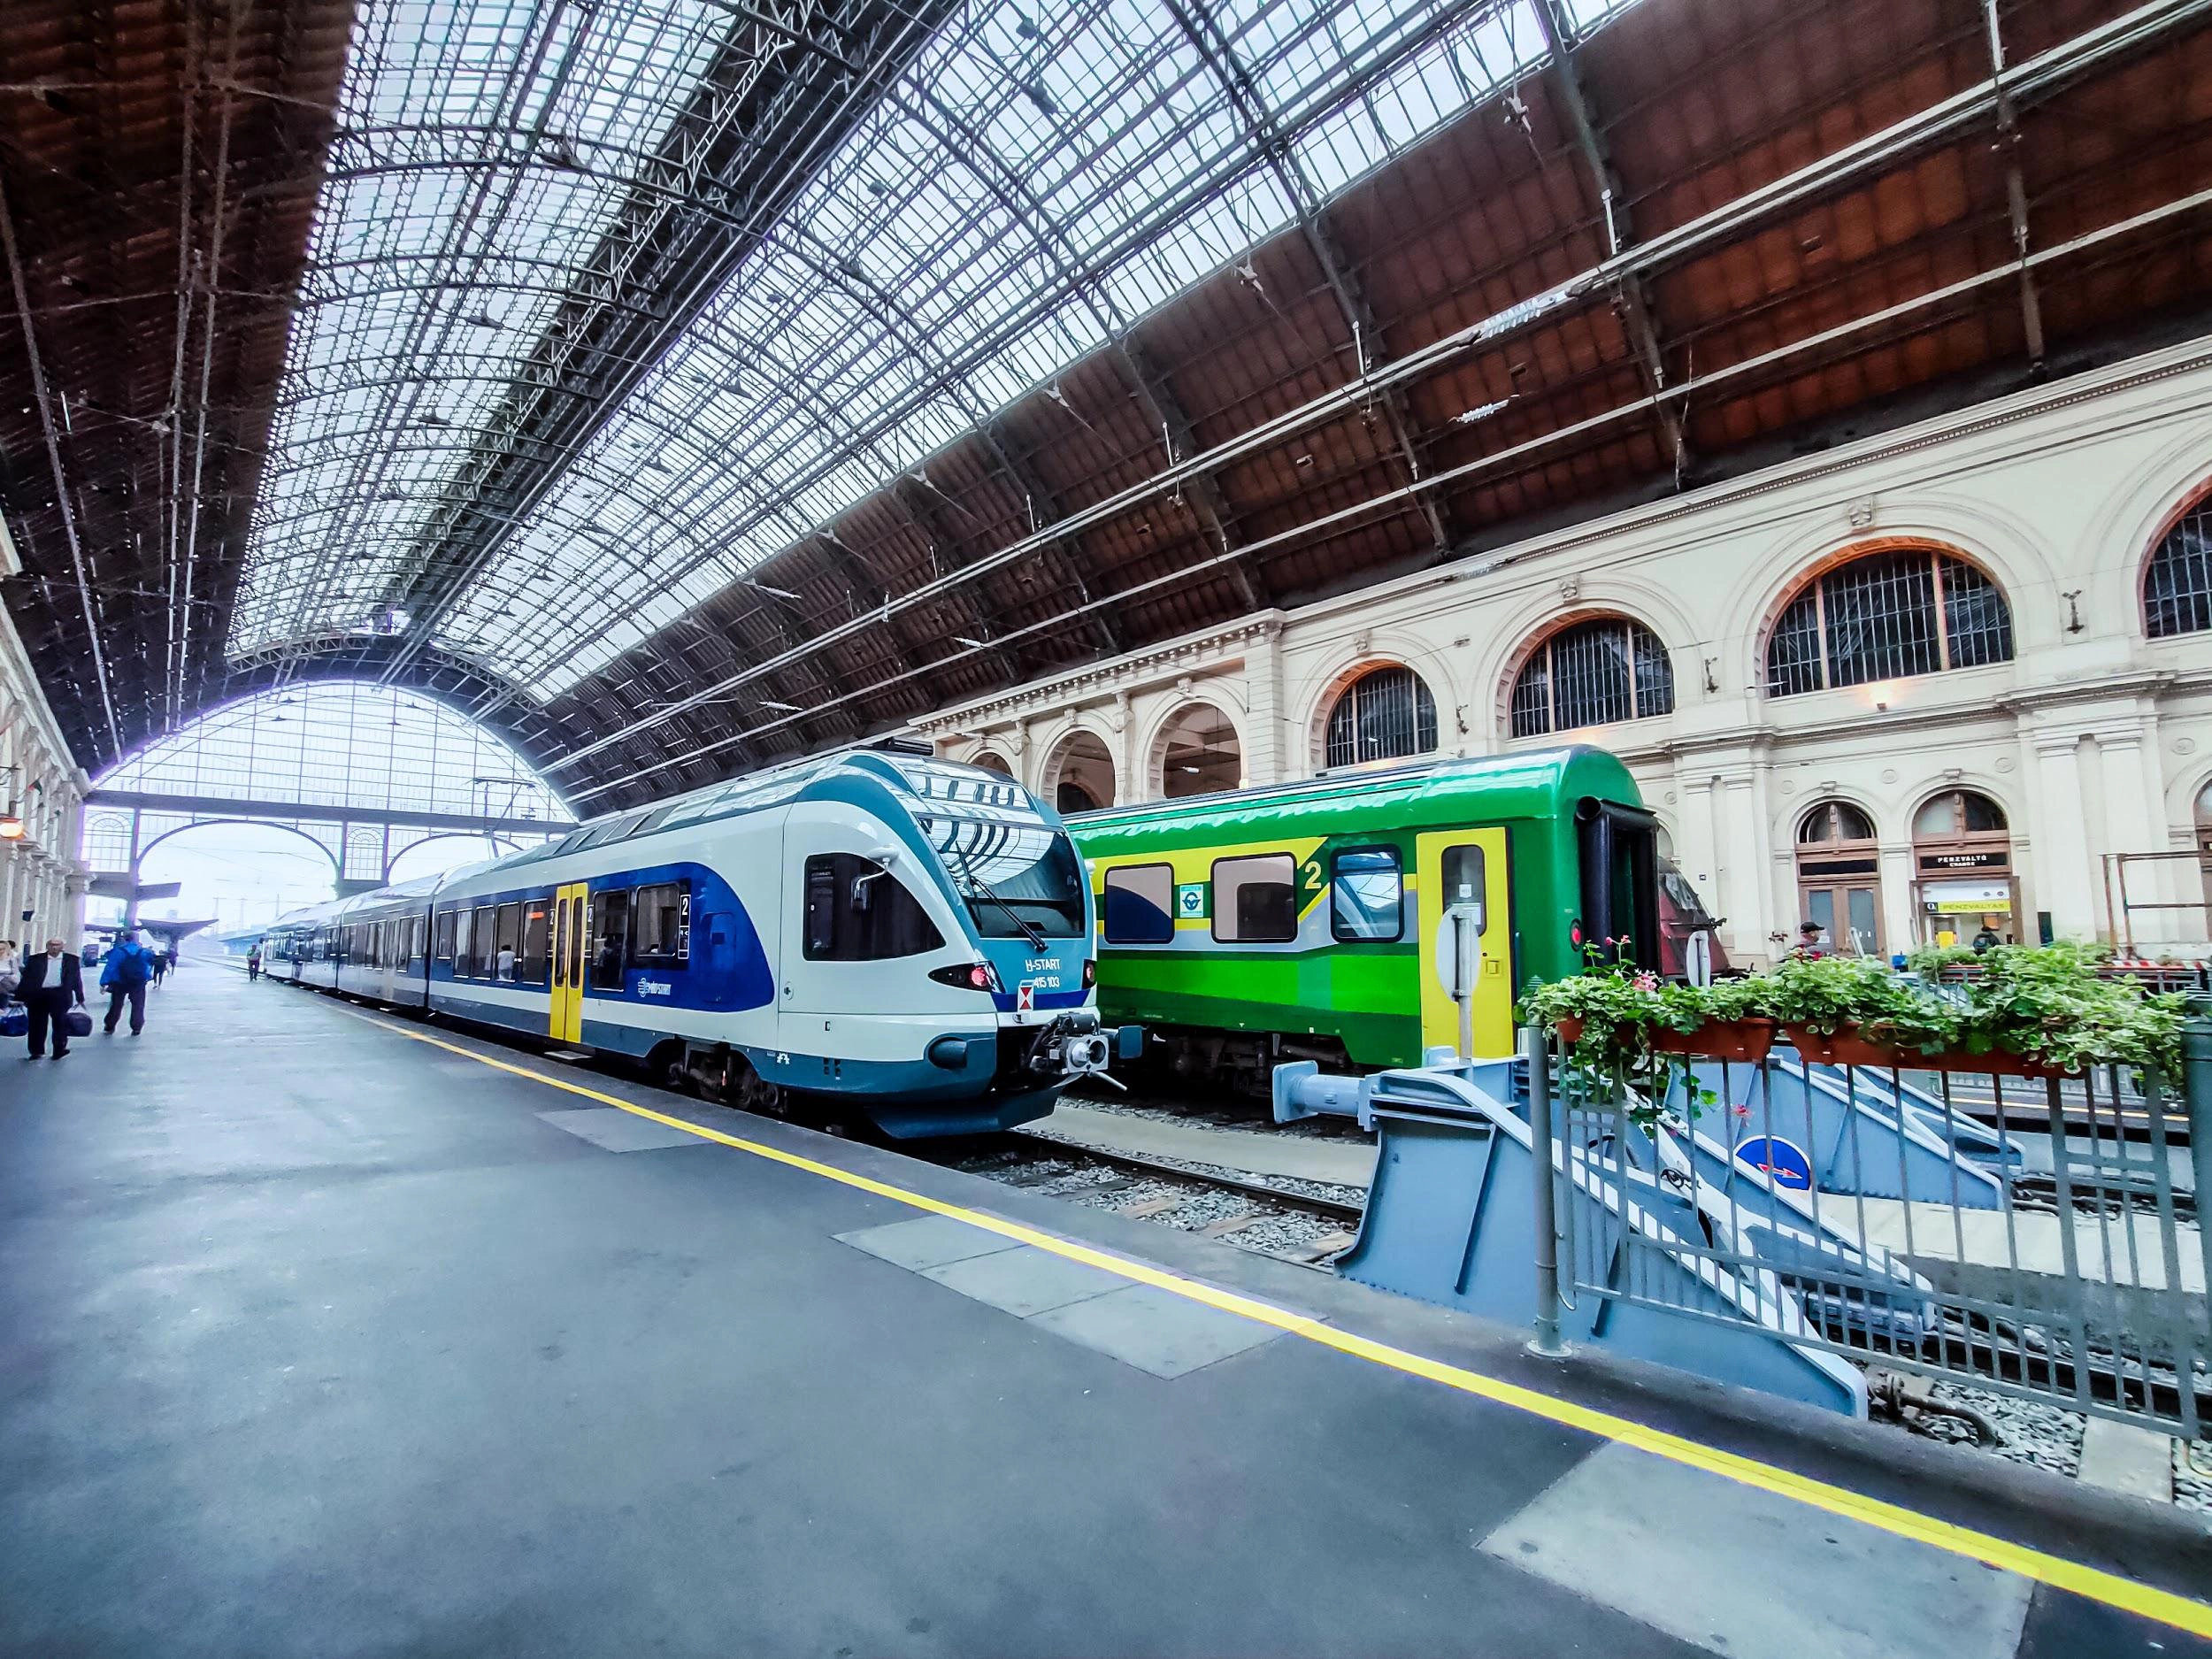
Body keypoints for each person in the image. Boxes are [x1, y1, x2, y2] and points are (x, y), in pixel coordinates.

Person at [18, 937, 84, 1060]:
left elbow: (76, 979)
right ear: (47, 946)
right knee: (36, 1024)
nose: (54, 947)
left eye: (57, 945)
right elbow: (26, 979)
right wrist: (21, 997)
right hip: (38, 995)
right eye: (51, 945)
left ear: (62, 946)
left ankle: (59, 1049)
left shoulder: (71, 960)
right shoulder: (35, 959)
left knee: (60, 1023)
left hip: (60, 995)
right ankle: (36, 1051)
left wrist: (80, 996)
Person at [100, 931, 155, 1037]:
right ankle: (136, 1027)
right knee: (138, 1005)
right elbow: (148, 965)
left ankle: (110, 1026)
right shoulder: (144, 952)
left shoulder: (118, 951)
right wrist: (147, 977)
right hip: (138, 983)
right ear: (137, 939)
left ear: (125, 939)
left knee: (116, 1005)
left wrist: (104, 982)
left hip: (120, 982)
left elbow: (111, 967)